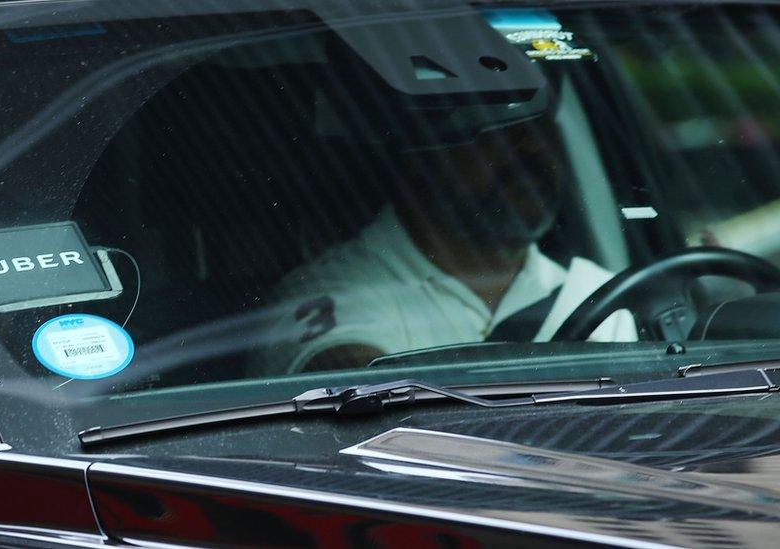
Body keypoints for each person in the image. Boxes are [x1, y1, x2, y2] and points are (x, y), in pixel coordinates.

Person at [252, 107, 637, 376]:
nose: (531, 147)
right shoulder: (331, 293)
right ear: (418, 156)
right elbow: (357, 391)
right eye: (492, 127)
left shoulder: (598, 294)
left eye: (541, 125)